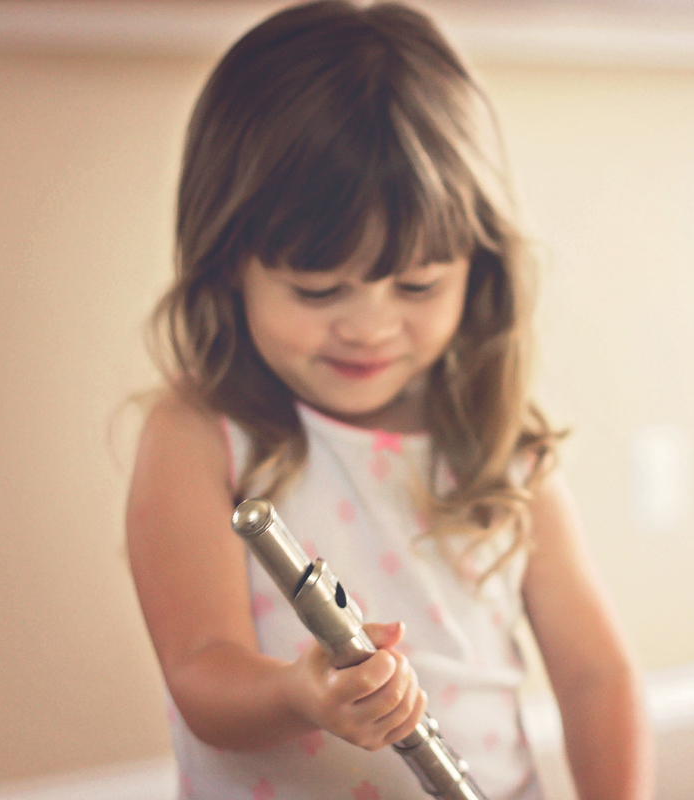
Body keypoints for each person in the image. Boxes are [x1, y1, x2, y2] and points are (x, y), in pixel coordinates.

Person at [125, 2, 653, 799]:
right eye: (318, 290)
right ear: (231, 261)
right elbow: (202, 675)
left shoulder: (498, 442)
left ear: (476, 265)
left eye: (418, 285)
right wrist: (301, 695)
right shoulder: (199, 434)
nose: (370, 328)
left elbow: (596, 675)